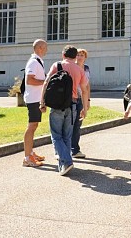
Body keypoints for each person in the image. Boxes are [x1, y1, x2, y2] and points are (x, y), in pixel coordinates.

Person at [40, 45, 89, 176]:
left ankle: (66, 162)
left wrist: (42, 102)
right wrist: (84, 108)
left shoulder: (57, 65)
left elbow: (46, 82)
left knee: (56, 135)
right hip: (73, 105)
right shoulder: (80, 70)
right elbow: (84, 90)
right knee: (67, 136)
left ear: (63, 55)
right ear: (75, 56)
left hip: (57, 105)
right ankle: (64, 164)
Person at [22, 39, 47, 167]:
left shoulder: (38, 61)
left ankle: (30, 153)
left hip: (36, 99)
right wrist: (45, 82)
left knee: (34, 126)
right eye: (45, 47)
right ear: (40, 48)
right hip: (32, 99)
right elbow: (29, 81)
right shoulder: (33, 62)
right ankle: (27, 158)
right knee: (31, 127)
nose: (47, 49)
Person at [70, 48, 91, 159]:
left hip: (82, 98)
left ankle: (74, 149)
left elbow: (87, 85)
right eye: (78, 54)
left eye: (82, 55)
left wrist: (87, 101)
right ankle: (72, 149)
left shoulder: (86, 68)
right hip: (74, 97)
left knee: (78, 125)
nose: (79, 57)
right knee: (72, 124)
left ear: (85, 57)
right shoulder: (73, 66)